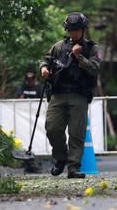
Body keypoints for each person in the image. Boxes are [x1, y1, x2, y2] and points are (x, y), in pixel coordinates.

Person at [39, 12, 101, 179]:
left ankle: (73, 167)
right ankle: (60, 158)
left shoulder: (91, 48)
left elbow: (95, 68)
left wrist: (79, 56)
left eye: (77, 30)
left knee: (76, 133)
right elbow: (46, 60)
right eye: (71, 30)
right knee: (52, 128)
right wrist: (44, 69)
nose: (74, 33)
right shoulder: (59, 46)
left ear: (83, 30)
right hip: (58, 94)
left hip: (78, 95)